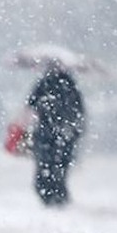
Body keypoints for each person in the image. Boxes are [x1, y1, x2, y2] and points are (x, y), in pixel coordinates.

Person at [27, 61, 84, 207]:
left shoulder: (46, 84)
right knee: (58, 166)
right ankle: (57, 194)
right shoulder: (70, 86)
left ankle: (52, 194)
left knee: (49, 166)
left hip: (50, 134)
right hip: (61, 135)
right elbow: (79, 112)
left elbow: (31, 104)